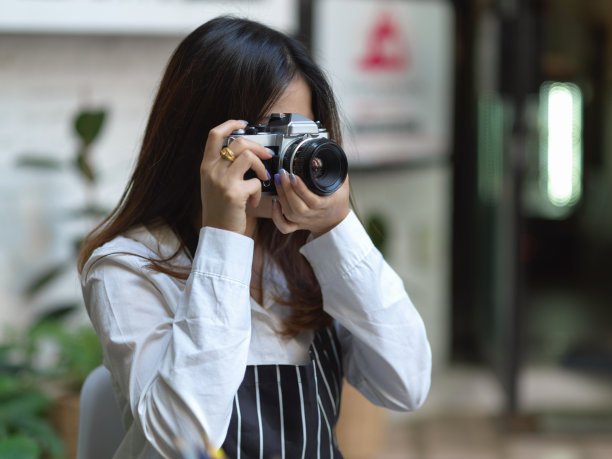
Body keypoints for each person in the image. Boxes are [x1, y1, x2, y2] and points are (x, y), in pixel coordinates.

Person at [78, 16, 431, 459]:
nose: (288, 158)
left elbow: (407, 385)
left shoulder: (308, 251)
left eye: (301, 136)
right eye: (269, 137)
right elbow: (181, 440)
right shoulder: (129, 265)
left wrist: (337, 231)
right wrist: (224, 237)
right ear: (199, 139)